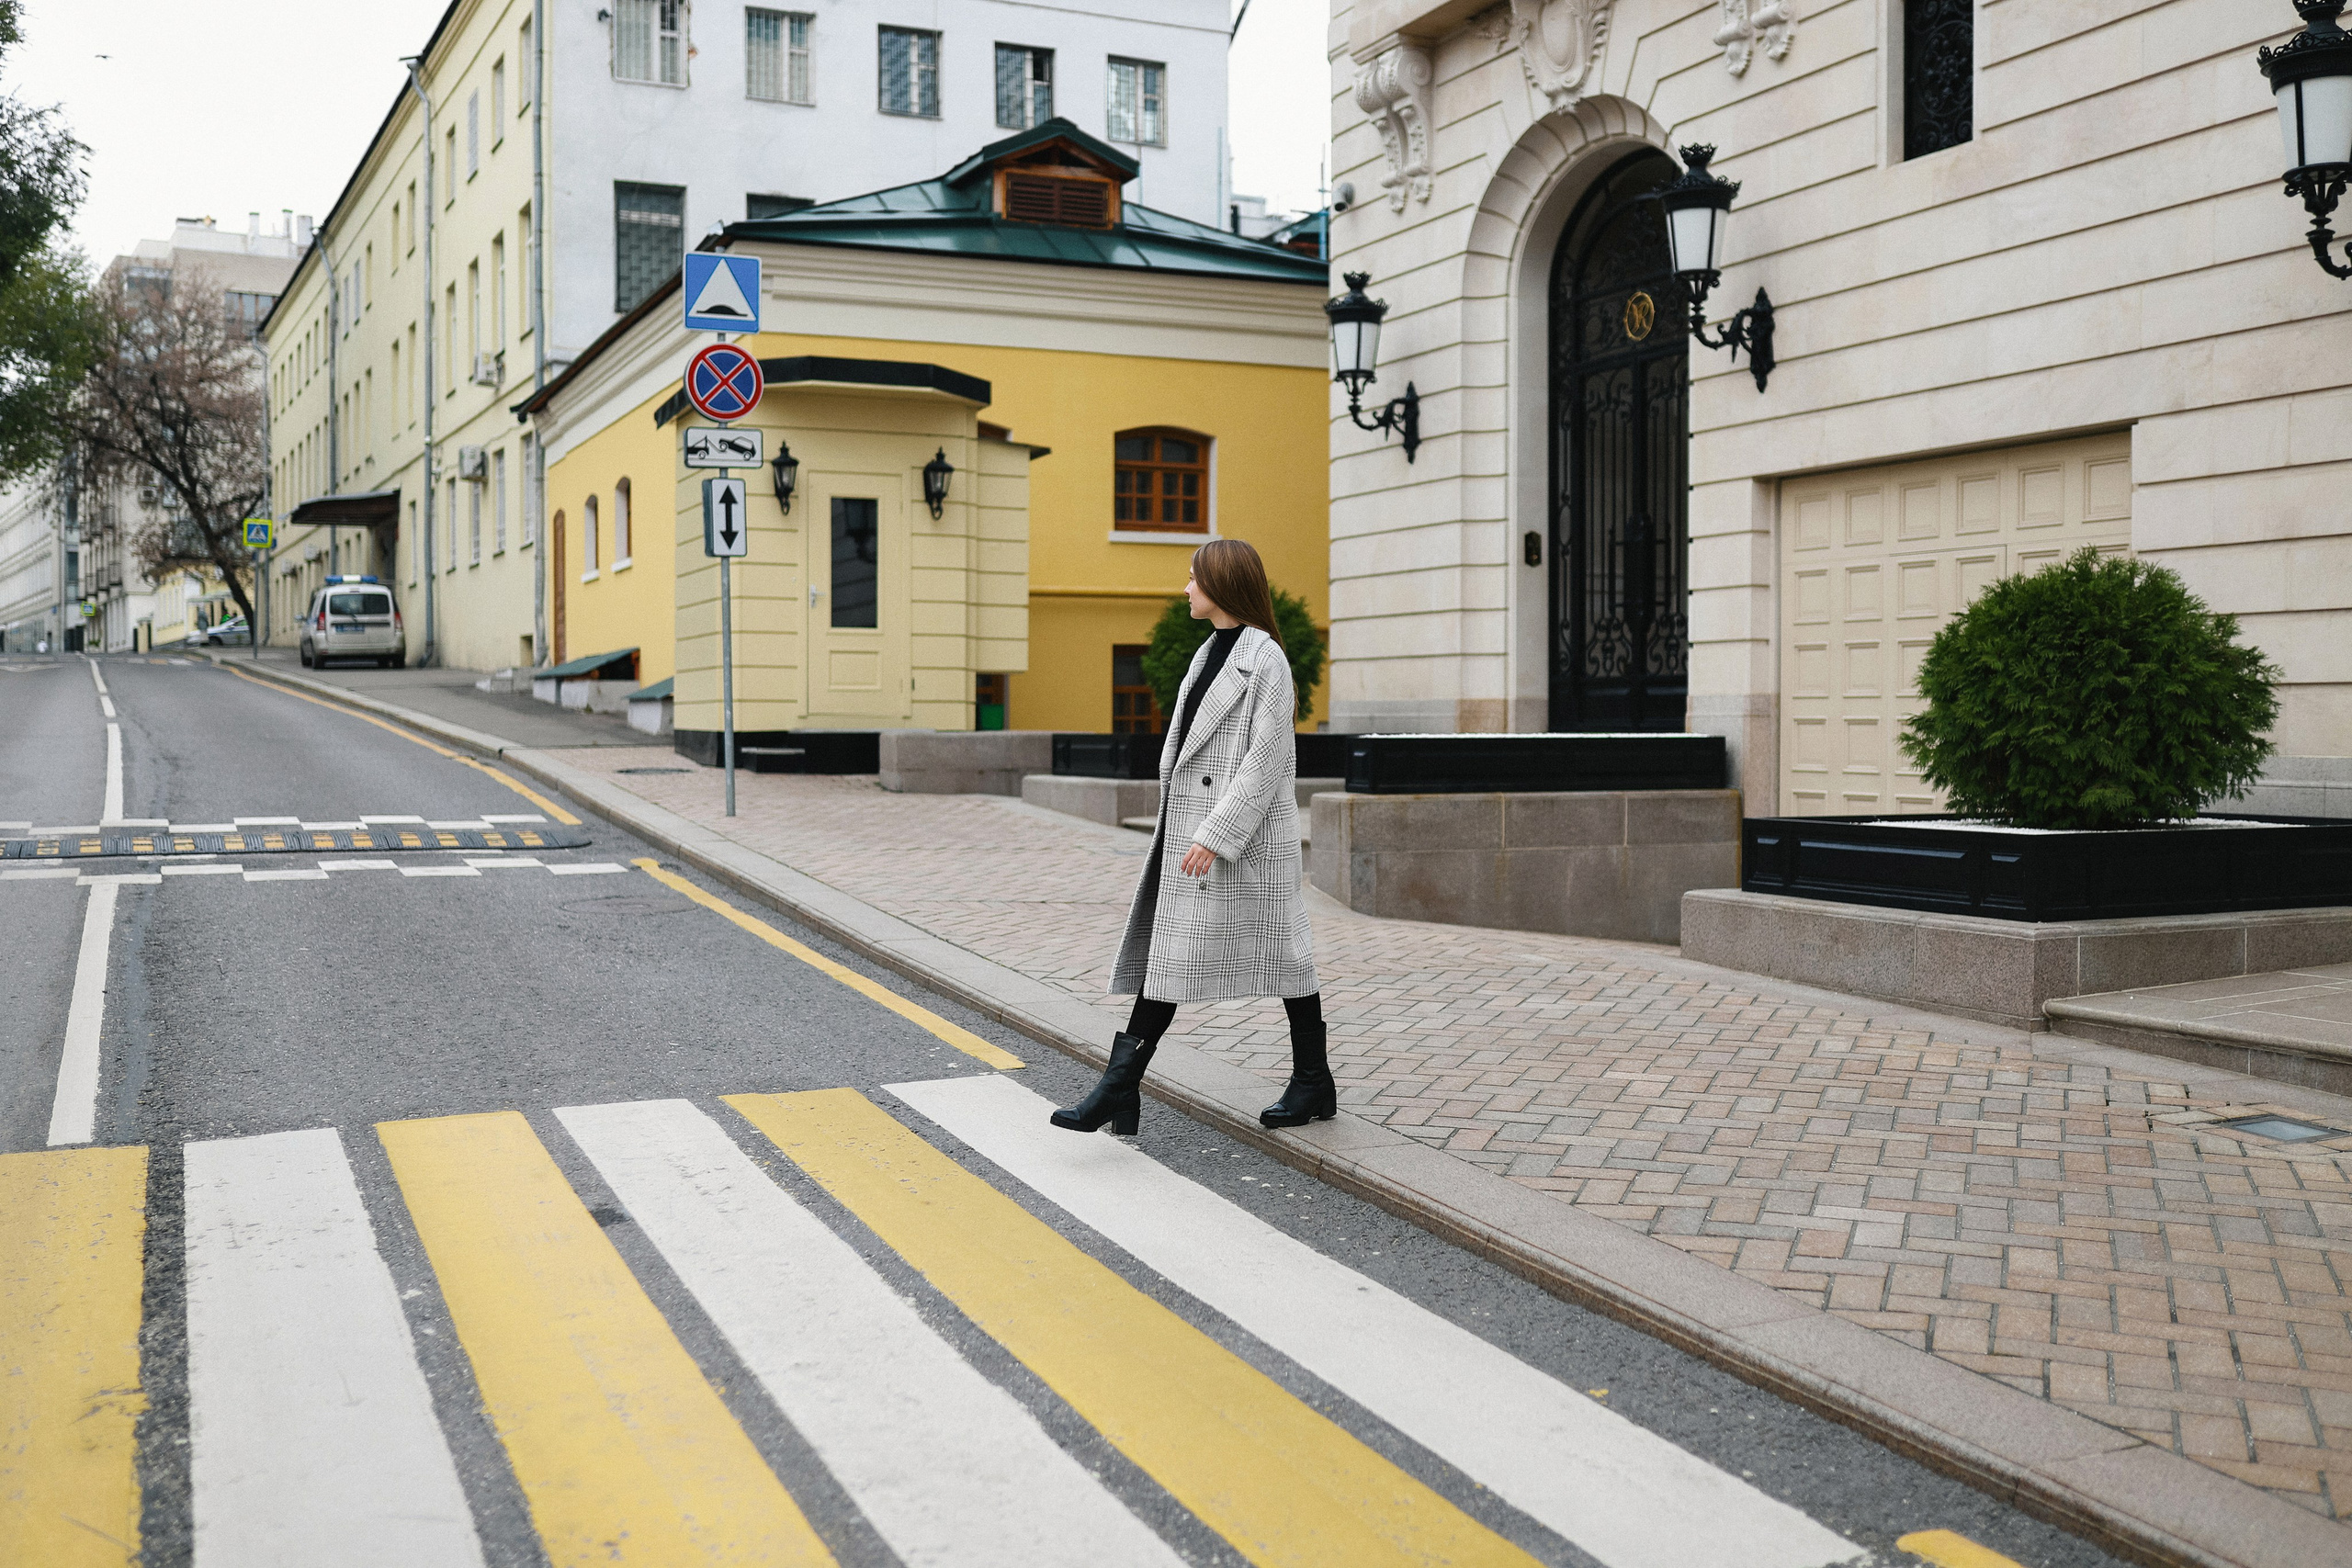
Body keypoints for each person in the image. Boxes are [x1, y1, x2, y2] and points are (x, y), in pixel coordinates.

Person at [1051, 537, 1333, 1137]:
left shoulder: (1267, 659)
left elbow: (1264, 761)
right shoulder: (1209, 651)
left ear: (1222, 585)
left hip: (1244, 843)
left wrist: (1216, 832)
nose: (1185, 588)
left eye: (1193, 579)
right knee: (1172, 959)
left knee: (1287, 959)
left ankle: (1311, 1081)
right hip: (1195, 833)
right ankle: (1121, 1089)